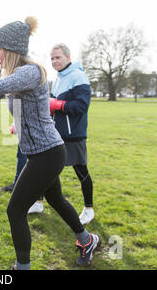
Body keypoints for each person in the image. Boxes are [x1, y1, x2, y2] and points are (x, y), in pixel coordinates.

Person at [0, 17, 101, 269]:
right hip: (41, 153)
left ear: (10, 49)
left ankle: (23, 267)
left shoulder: (29, 72)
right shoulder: (18, 75)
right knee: (56, 199)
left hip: (48, 154)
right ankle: (87, 240)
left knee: (15, 210)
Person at [50, 43, 94, 225]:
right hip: (56, 134)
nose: (54, 61)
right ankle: (39, 202)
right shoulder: (58, 78)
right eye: (52, 58)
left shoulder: (78, 76)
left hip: (74, 135)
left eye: (58, 57)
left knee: (81, 172)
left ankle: (89, 209)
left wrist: (58, 105)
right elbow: (52, 104)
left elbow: (82, 106)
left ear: (67, 58)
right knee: (48, 170)